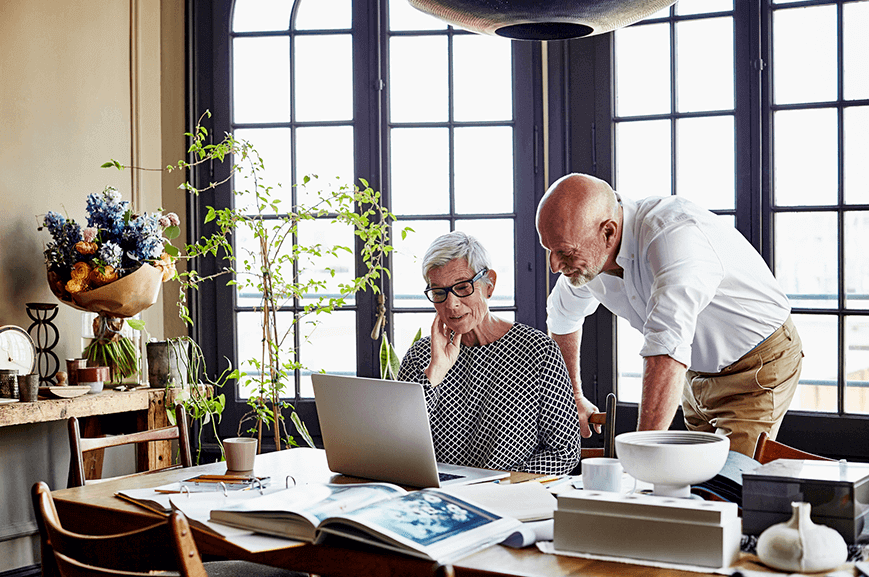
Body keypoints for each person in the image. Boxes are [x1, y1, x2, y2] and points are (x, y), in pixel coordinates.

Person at [536, 173, 803, 457]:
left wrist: (640, 456)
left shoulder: (672, 237)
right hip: (696, 373)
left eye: (564, 252)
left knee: (725, 484)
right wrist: (574, 395)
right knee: (692, 480)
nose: (554, 266)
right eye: (549, 250)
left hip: (757, 364)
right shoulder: (587, 257)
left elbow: (666, 348)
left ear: (609, 232)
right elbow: (563, 317)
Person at [397, 231, 581, 475]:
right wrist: (434, 374)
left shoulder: (537, 351)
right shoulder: (422, 355)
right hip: (437, 497)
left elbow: (564, 452)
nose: (451, 304)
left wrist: (498, 484)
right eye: (439, 292)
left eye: (462, 287)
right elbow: (398, 445)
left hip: (508, 497)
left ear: (489, 284)